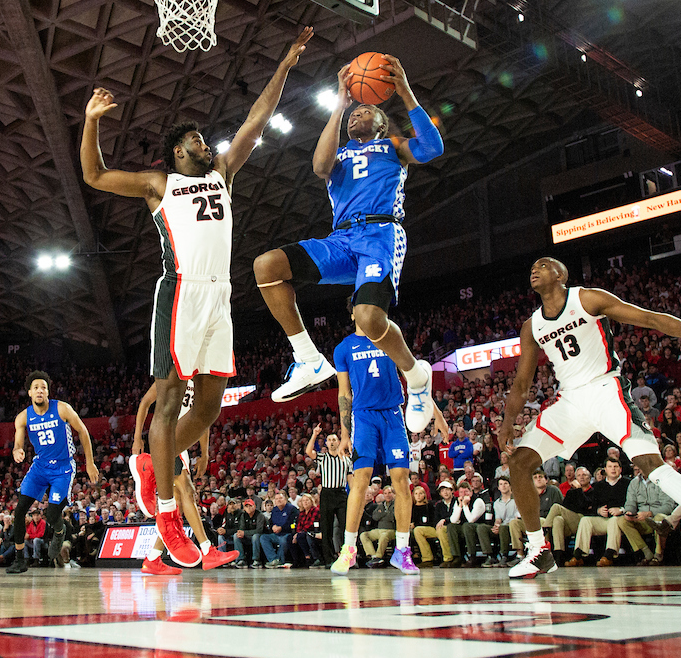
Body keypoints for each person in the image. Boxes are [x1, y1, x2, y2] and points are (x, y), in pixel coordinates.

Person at [82, 28, 313, 568]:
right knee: (168, 399)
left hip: (219, 297)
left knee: (209, 405)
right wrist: (92, 122)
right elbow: (92, 175)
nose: (207, 145)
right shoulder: (157, 185)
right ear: (176, 152)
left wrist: (286, 59)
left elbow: (256, 119)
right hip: (180, 293)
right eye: (197, 141)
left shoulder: (224, 172)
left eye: (207, 140)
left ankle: (150, 464)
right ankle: (165, 511)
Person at [501, 259, 681, 580]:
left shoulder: (586, 298)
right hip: (570, 400)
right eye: (531, 266)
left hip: (606, 389)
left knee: (653, 468)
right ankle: (538, 551)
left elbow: (645, 317)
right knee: (519, 463)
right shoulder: (531, 326)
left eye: (543, 265)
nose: (534, 269)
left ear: (561, 274)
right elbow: (521, 384)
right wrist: (507, 424)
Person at [253, 55, 444, 438]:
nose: (359, 113)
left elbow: (432, 148)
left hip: (380, 234)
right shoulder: (339, 155)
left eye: (367, 109)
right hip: (341, 237)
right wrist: (339, 105)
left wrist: (404, 89)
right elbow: (319, 166)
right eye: (355, 111)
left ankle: (416, 376)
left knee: (370, 319)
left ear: (383, 121)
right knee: (267, 265)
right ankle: (308, 359)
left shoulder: (395, 146)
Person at [329, 310, 448, 576]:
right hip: (364, 417)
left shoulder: (388, 335)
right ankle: (348, 551)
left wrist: (436, 414)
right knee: (360, 479)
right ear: (352, 313)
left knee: (402, 480)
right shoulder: (343, 348)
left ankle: (402, 552)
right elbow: (344, 393)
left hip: (394, 414)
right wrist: (345, 433)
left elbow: (416, 379)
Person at [131, 381, 238, 574]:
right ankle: (207, 550)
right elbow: (145, 402)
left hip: (182, 446)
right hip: (167, 439)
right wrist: (137, 437)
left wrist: (204, 454)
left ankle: (153, 558)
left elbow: (202, 421)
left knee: (177, 502)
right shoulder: (174, 375)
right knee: (187, 491)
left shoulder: (200, 381)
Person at [5, 371, 100, 574]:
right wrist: (17, 450)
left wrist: (89, 463)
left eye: (44, 388)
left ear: (48, 392)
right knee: (20, 510)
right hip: (40, 467)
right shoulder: (23, 417)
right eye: (36, 387)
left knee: (52, 513)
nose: (40, 390)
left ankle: (59, 530)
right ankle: (19, 559)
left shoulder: (62, 409)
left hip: (63, 468)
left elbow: (83, 431)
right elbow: (18, 443)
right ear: (30, 392)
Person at [305, 426, 351, 563]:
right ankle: (329, 558)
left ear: (338, 442)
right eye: (329, 440)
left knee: (345, 526)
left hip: (341, 493)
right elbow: (308, 451)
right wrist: (314, 434)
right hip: (327, 493)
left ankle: (347, 556)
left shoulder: (346, 459)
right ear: (326, 443)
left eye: (334, 439)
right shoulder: (322, 457)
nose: (331, 442)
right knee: (327, 528)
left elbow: (350, 479)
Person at [507, 467, 563, 556]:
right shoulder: (528, 494)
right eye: (535, 477)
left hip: (547, 520)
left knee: (541, 521)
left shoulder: (553, 490)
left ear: (546, 480)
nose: (538, 479)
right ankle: (520, 554)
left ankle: (545, 553)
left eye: (540, 477)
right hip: (531, 522)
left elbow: (559, 508)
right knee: (514, 523)